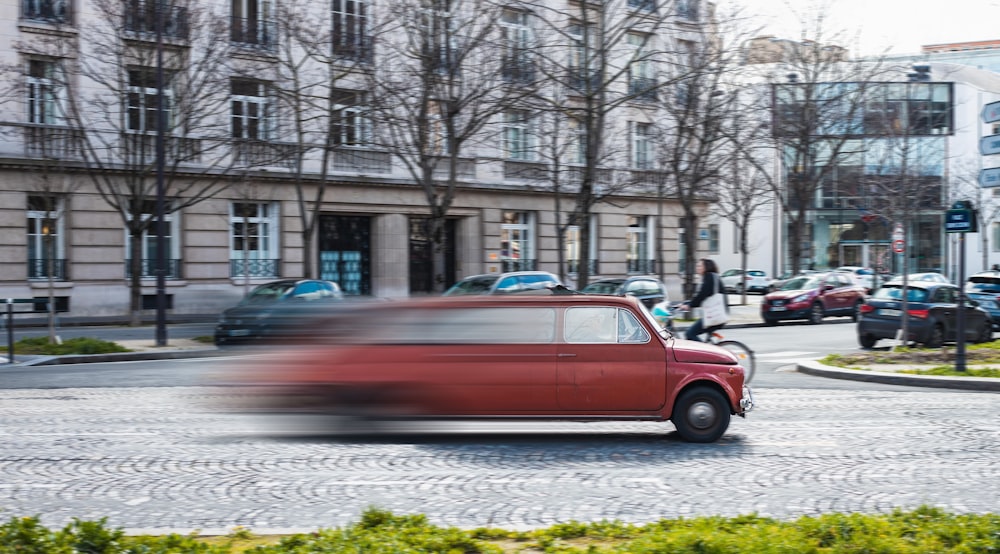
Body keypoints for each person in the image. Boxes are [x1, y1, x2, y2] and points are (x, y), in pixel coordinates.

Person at [678, 258, 727, 342]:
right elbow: (704, 296)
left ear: (706, 267)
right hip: (716, 315)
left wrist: (689, 305)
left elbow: (702, 295)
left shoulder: (709, 277)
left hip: (714, 316)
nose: (697, 267)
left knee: (690, 333)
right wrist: (687, 303)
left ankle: (705, 353)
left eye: (700, 266)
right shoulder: (713, 277)